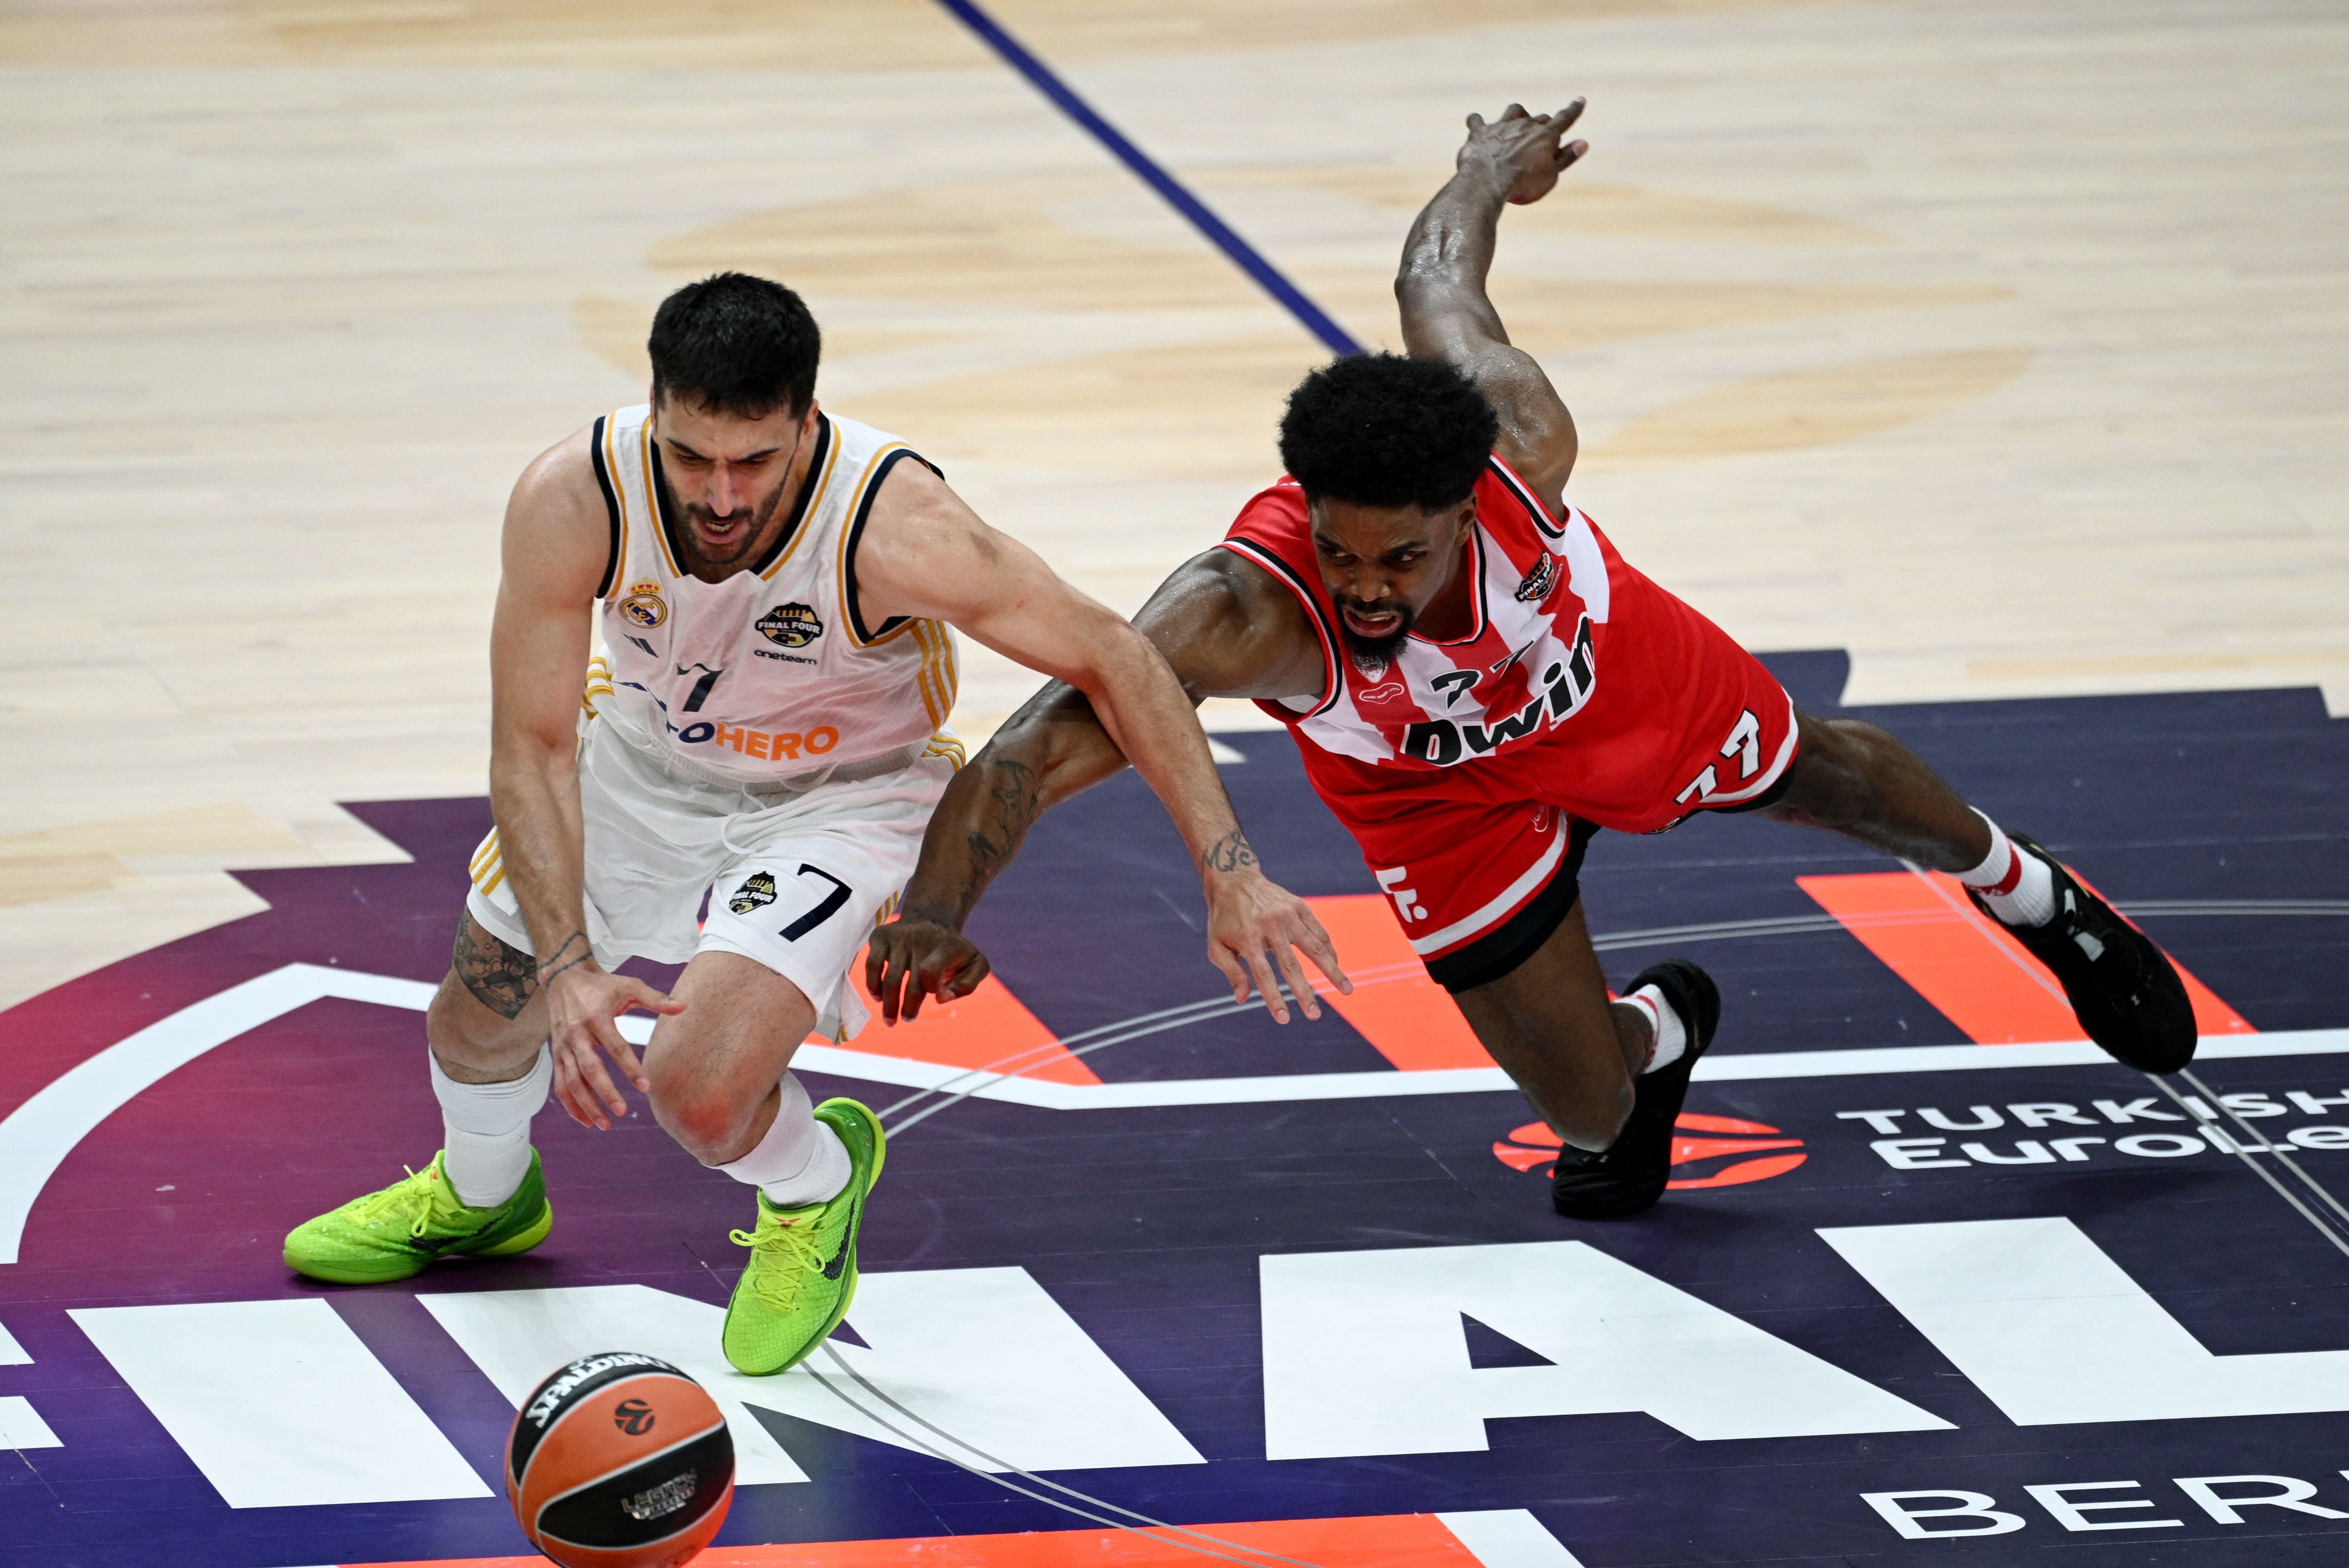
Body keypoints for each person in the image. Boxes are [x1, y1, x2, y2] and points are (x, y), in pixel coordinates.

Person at [865, 101, 2198, 1221]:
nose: (1367, 589)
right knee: (1593, 1121)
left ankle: (2026, 891)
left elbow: (1435, 279)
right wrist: (938, 908)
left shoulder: (1518, 435)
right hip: (1430, 796)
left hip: (1604, 677)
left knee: (1832, 777)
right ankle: (1662, 1034)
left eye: (1402, 559)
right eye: (1343, 554)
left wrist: (1483, 170)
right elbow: (1032, 747)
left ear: (1466, 503)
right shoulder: (1239, 609)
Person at [281, 273, 1344, 1374]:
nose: (722, 493)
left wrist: (1230, 869)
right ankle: (482, 1198)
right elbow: (532, 747)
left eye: (755, 459)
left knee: (699, 1092)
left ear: (807, 424)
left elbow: (1115, 655)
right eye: (692, 458)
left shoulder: (898, 525)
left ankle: (815, 1185)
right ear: (654, 413)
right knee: (477, 1020)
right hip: (645, 763)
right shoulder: (573, 497)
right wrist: (565, 964)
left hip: (845, 793)